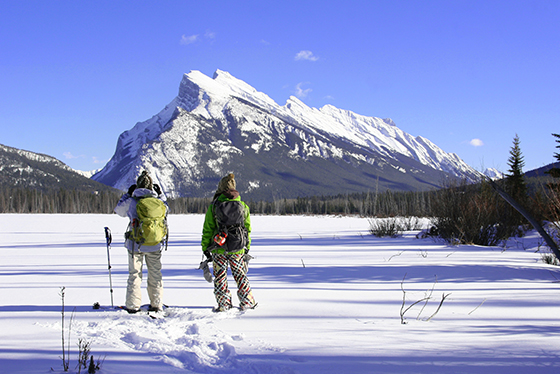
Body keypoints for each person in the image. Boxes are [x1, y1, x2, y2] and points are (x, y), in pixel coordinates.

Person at [201, 173, 257, 312]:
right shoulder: (242, 206)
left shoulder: (214, 206)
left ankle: (224, 304)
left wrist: (205, 247)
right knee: (240, 274)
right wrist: (246, 247)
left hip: (218, 247)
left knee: (220, 276)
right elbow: (247, 229)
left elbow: (208, 229)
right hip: (237, 247)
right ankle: (247, 302)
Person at [114, 170, 168, 313]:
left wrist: (127, 194)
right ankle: (156, 304)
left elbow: (118, 210)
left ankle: (132, 305)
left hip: (135, 245)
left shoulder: (132, 201)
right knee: (155, 274)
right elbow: (166, 209)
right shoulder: (158, 202)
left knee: (135, 274)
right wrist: (160, 194)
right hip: (155, 244)